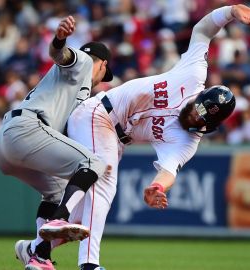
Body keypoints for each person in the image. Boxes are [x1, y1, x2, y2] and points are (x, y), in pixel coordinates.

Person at [36, 4, 250, 270]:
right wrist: (229, 11)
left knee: (85, 212)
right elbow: (202, 31)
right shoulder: (193, 74)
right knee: (105, 178)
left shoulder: (188, 140)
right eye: (199, 110)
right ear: (199, 97)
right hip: (97, 112)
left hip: (115, 137)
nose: (196, 118)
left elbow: (168, 170)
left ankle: (36, 251)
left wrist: (158, 187)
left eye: (204, 119)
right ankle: (88, 263)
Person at [0, 15, 114, 270]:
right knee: (93, 162)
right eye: (104, 73)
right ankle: (59, 220)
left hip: (4, 147)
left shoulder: (69, 91)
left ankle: (38, 254)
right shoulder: (85, 63)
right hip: (26, 129)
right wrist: (60, 39)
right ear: (103, 64)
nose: (102, 79)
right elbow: (61, 54)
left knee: (55, 192)